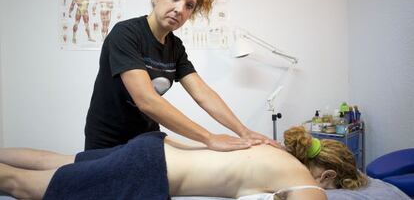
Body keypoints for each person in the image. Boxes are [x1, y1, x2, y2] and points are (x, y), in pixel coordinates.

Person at [84, 0, 278, 151]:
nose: (180, 9)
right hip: (107, 139)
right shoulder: (126, 33)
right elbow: (147, 101)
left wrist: (244, 131)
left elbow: (203, 94)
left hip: (146, 137)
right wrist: (208, 138)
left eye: (189, 5)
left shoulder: (175, 46)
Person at [0, 126, 367, 200]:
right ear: (328, 174)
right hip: (150, 170)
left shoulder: (273, 149)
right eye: (333, 187)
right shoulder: (306, 183)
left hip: (153, 147)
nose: (327, 192)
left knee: (60, 161)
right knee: (23, 188)